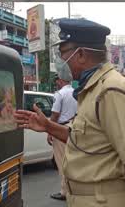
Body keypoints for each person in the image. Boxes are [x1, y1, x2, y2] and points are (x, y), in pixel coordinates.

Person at [14, 18, 125, 207]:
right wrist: (48, 126)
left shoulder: (111, 90)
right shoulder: (91, 90)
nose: (60, 60)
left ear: (80, 54)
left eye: (62, 52)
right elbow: (82, 139)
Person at [49, 74, 79, 202]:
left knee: (62, 162)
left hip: (61, 129)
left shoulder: (59, 94)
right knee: (73, 161)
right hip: (74, 127)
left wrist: (50, 131)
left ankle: (65, 192)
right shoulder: (76, 92)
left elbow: (55, 115)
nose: (56, 83)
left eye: (57, 81)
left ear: (60, 81)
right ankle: (75, 189)